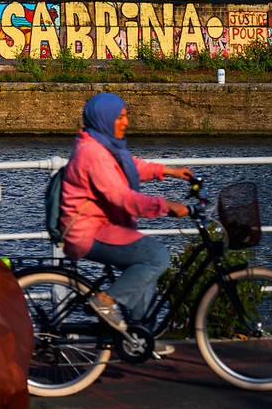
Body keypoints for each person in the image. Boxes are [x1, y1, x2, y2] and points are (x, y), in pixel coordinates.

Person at [60, 92, 193, 345]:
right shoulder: (93, 153)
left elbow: (131, 166)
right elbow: (122, 198)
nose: (126, 122)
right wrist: (166, 206)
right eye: (120, 117)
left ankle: (139, 335)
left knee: (145, 265)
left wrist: (169, 171)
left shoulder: (102, 145)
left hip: (102, 226)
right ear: (104, 119)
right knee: (156, 256)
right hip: (86, 232)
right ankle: (104, 301)